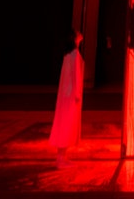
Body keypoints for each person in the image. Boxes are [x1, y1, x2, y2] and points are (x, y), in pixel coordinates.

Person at [49, 27, 84, 167]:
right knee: (67, 123)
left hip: (65, 94)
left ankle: (62, 156)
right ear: (74, 38)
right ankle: (61, 157)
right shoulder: (74, 54)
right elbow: (76, 75)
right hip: (71, 95)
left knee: (63, 122)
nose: (80, 33)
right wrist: (77, 94)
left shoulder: (68, 55)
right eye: (77, 33)